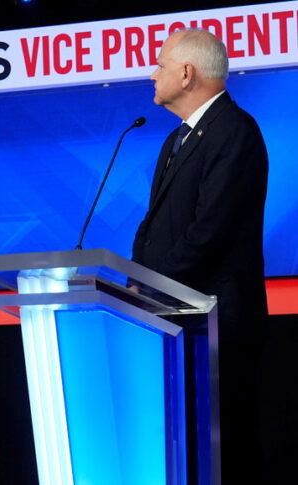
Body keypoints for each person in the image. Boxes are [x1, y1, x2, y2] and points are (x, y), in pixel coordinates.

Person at [132, 29, 268, 483]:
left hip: (218, 326)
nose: (153, 74)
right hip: (177, 321)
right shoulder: (175, 141)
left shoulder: (235, 131)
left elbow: (210, 231)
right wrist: (133, 278)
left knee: (224, 455)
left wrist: (151, 283)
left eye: (161, 65)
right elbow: (156, 225)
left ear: (187, 73)